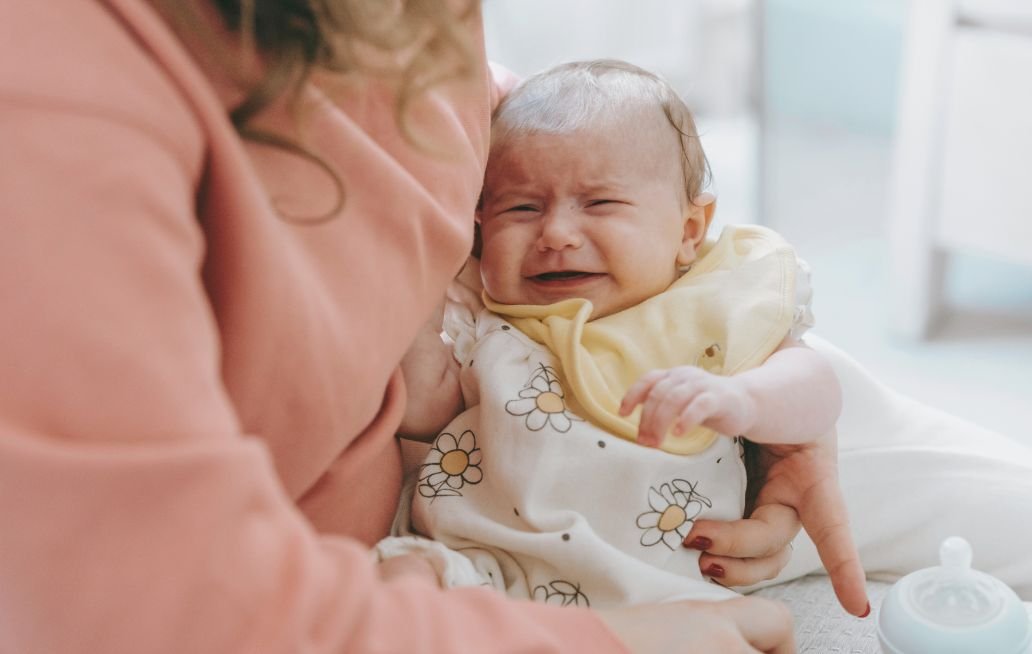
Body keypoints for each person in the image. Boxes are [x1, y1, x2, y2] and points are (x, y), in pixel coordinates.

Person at [1, 1, 859, 652]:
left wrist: (771, 408)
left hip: (699, 449)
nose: (556, 231)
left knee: (982, 518)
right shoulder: (55, 107)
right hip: (416, 553)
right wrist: (633, 637)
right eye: (522, 212)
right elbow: (174, 606)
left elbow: (513, 117)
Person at [386, 59, 854, 609]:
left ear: (688, 231)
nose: (556, 234)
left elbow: (816, 385)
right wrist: (413, 302)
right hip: (480, 568)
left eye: (599, 203)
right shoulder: (490, 321)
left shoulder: (708, 307)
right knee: (401, 581)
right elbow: (423, 411)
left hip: (662, 590)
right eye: (521, 208)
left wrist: (744, 399)